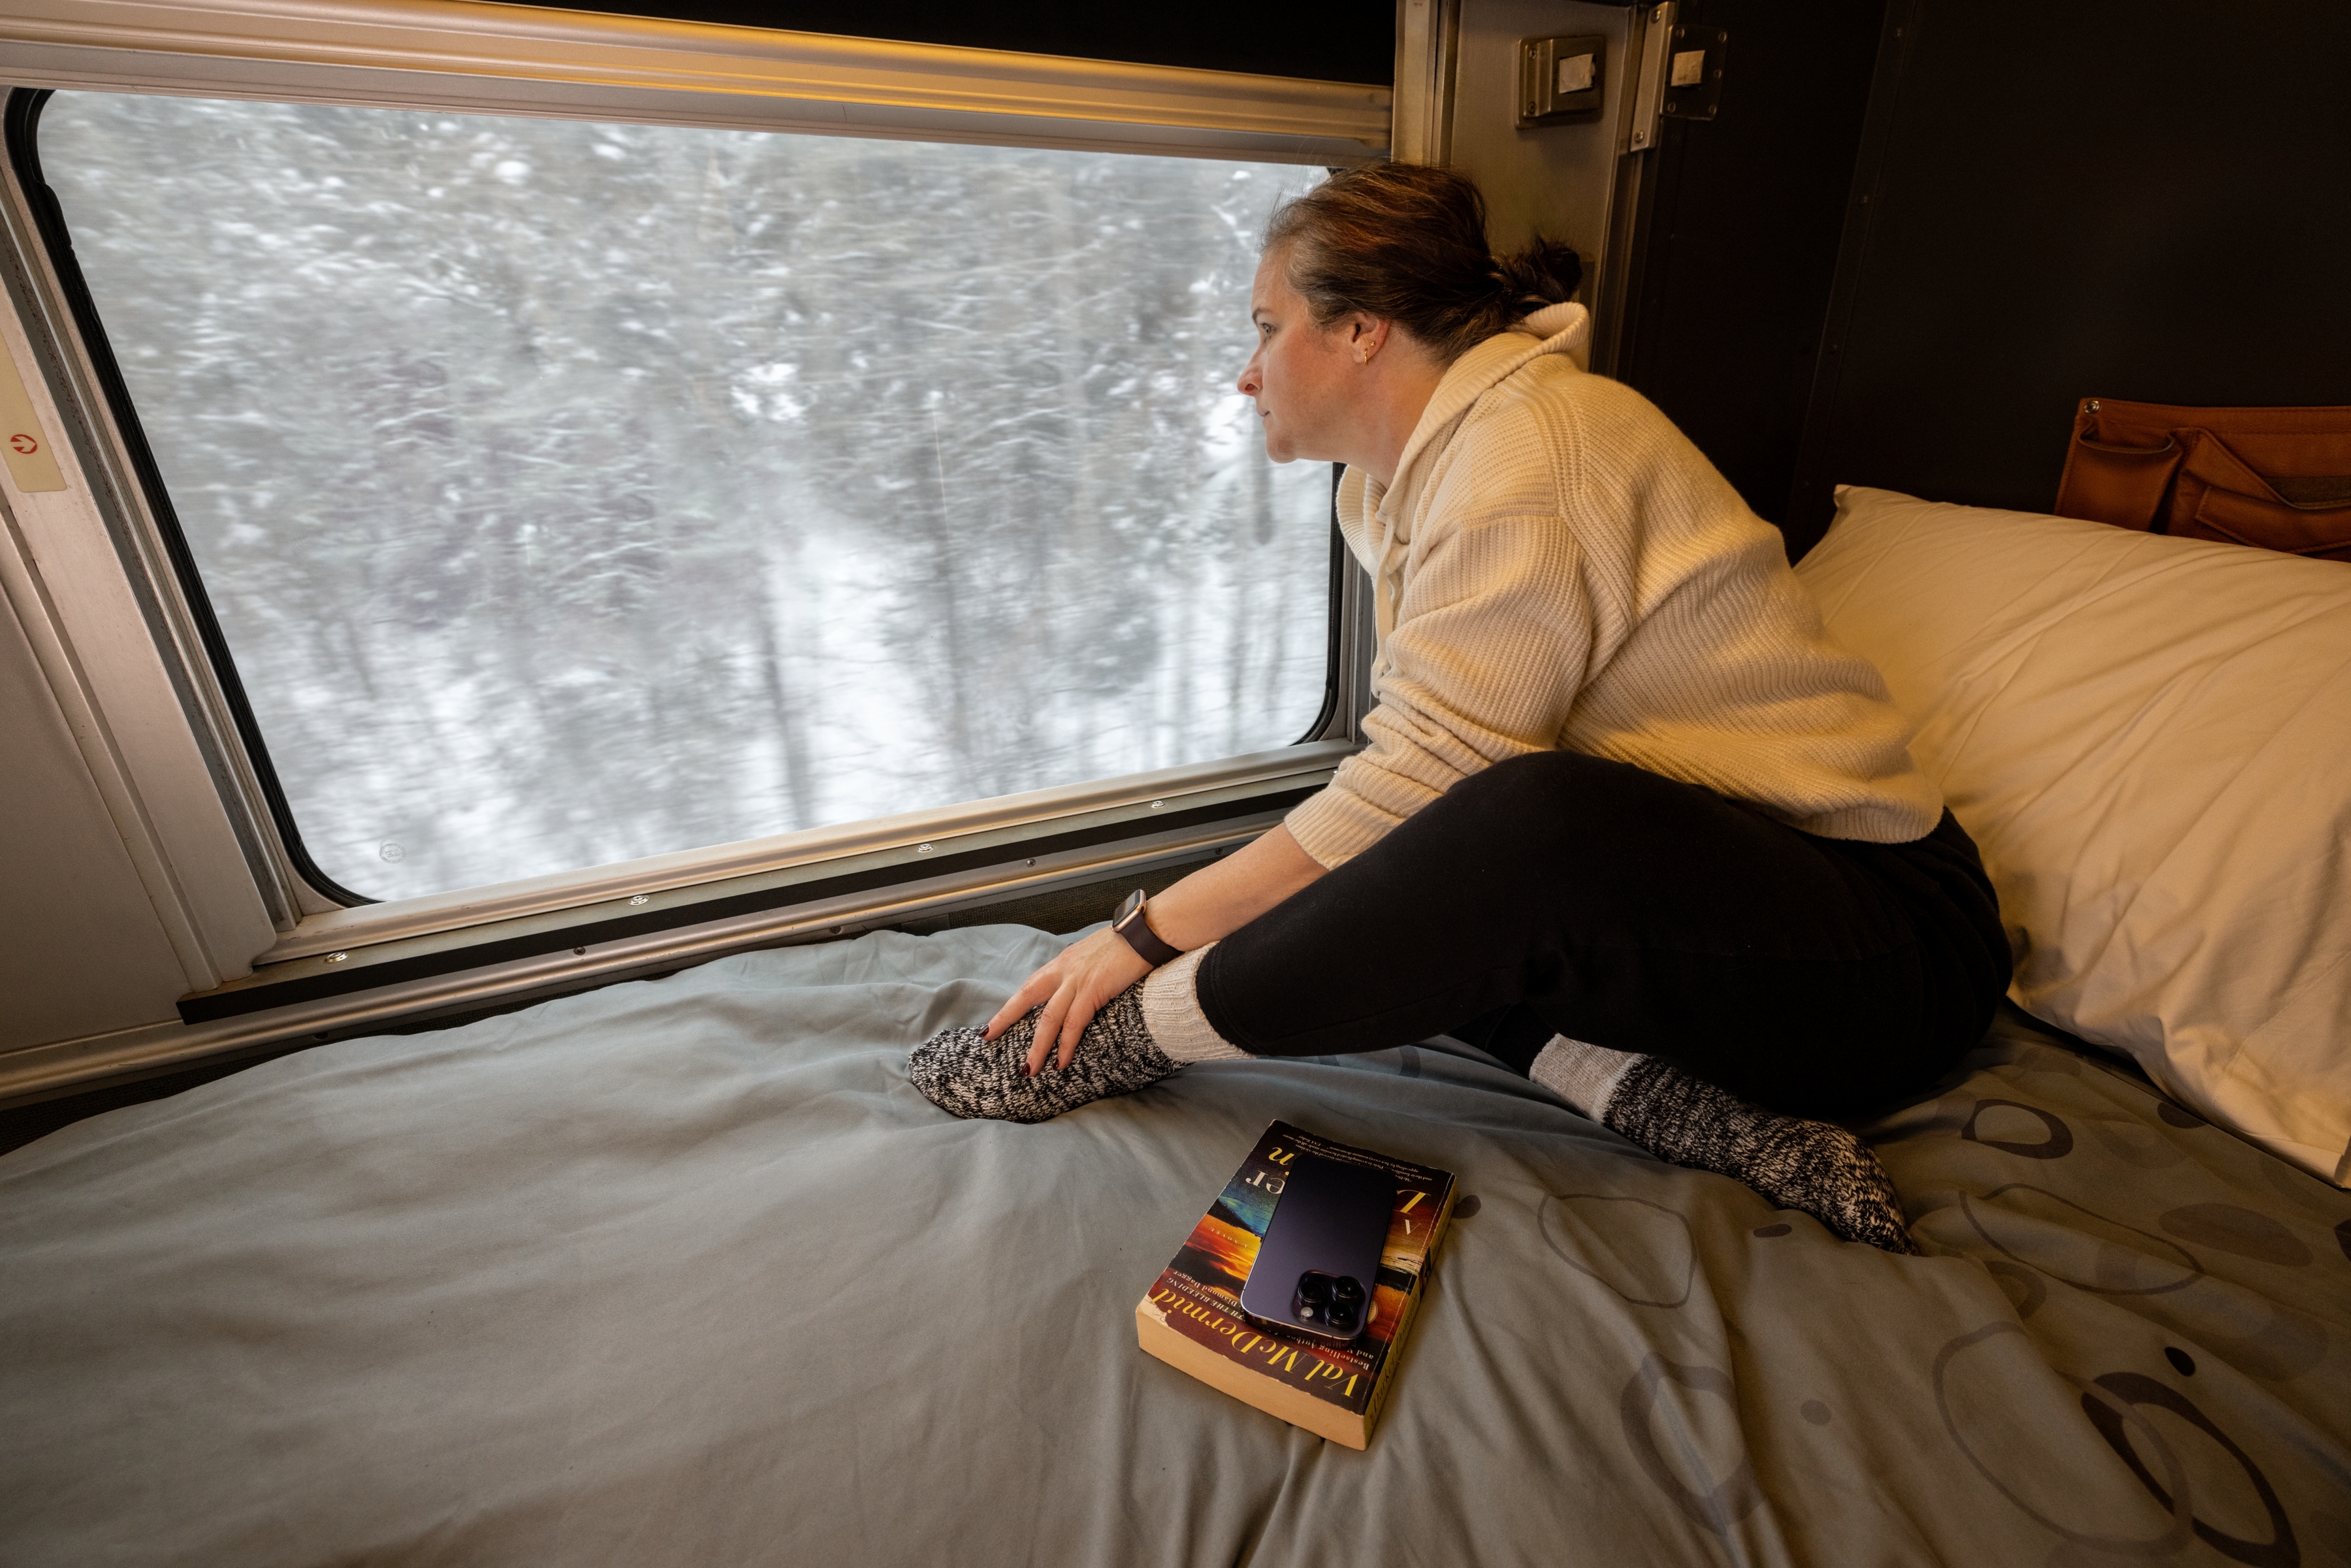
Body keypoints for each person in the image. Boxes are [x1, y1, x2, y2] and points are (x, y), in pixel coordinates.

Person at [908, 163, 2008, 1255]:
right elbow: (1413, 814)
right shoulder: (1399, 483)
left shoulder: (1532, 452)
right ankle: (1690, 1110)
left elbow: (1429, 782)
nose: (1247, 375)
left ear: (1361, 332)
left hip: (1892, 946)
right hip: (1725, 916)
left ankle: (1116, 1045)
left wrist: (1141, 945)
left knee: (1515, 820)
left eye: (1265, 327)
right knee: (1408, 897)